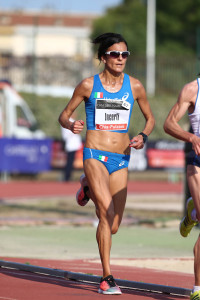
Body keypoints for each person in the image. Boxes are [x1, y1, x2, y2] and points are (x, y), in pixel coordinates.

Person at [59, 32, 155, 295]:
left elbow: (150, 119)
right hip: (95, 155)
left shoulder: (134, 86)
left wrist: (143, 136)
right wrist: (71, 124)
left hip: (121, 158)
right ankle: (107, 277)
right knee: (105, 211)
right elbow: (64, 115)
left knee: (113, 225)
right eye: (115, 54)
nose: (120, 58)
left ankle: (86, 188)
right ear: (103, 57)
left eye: (125, 54)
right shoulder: (88, 85)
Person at [163, 78, 200, 300]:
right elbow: (169, 123)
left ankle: (193, 212)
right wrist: (191, 137)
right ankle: (198, 289)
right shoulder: (192, 89)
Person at [61, 114, 82, 181]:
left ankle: (68, 176)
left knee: (70, 161)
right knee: (69, 161)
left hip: (72, 144)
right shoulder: (69, 122)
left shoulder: (70, 121)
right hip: (71, 144)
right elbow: (67, 134)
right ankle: (67, 177)